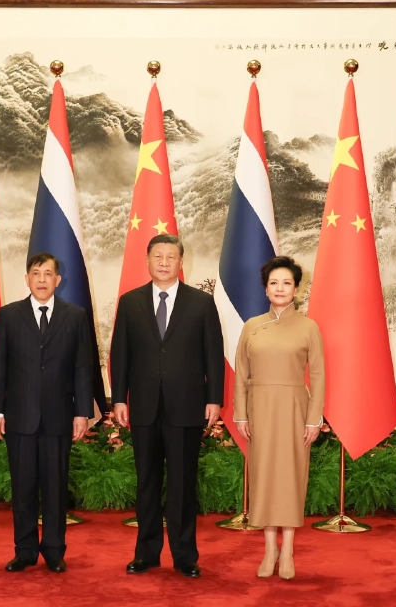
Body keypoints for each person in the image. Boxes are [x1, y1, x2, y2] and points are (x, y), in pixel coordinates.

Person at [110, 234, 225, 579]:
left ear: (180, 263)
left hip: (187, 406)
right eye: (157, 256)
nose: (163, 262)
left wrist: (214, 398)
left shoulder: (201, 303)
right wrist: (118, 397)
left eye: (170, 257)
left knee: (182, 483)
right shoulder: (130, 303)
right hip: (143, 407)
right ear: (147, 261)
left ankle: (184, 555)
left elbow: (213, 356)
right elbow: (121, 355)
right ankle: (145, 553)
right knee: (146, 482)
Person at [0, 252, 96, 574]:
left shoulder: (74, 316)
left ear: (58, 280)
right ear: (27, 279)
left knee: (55, 487)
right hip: (20, 417)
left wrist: (82, 412)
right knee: (23, 488)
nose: (43, 279)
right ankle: (25, 551)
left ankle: (54, 551)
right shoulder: (9, 315)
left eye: (49, 274)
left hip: (59, 417)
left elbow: (82, 368)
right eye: (37, 273)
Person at [232, 256, 325, 581]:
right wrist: (240, 414)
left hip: (294, 411)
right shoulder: (252, 326)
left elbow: (318, 374)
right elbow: (241, 376)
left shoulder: (308, 326)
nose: (280, 288)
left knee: (290, 479)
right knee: (264, 478)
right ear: (266, 288)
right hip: (259, 410)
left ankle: (288, 552)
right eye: (274, 283)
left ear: (296, 288)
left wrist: (314, 420)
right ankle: (269, 548)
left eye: (287, 283)